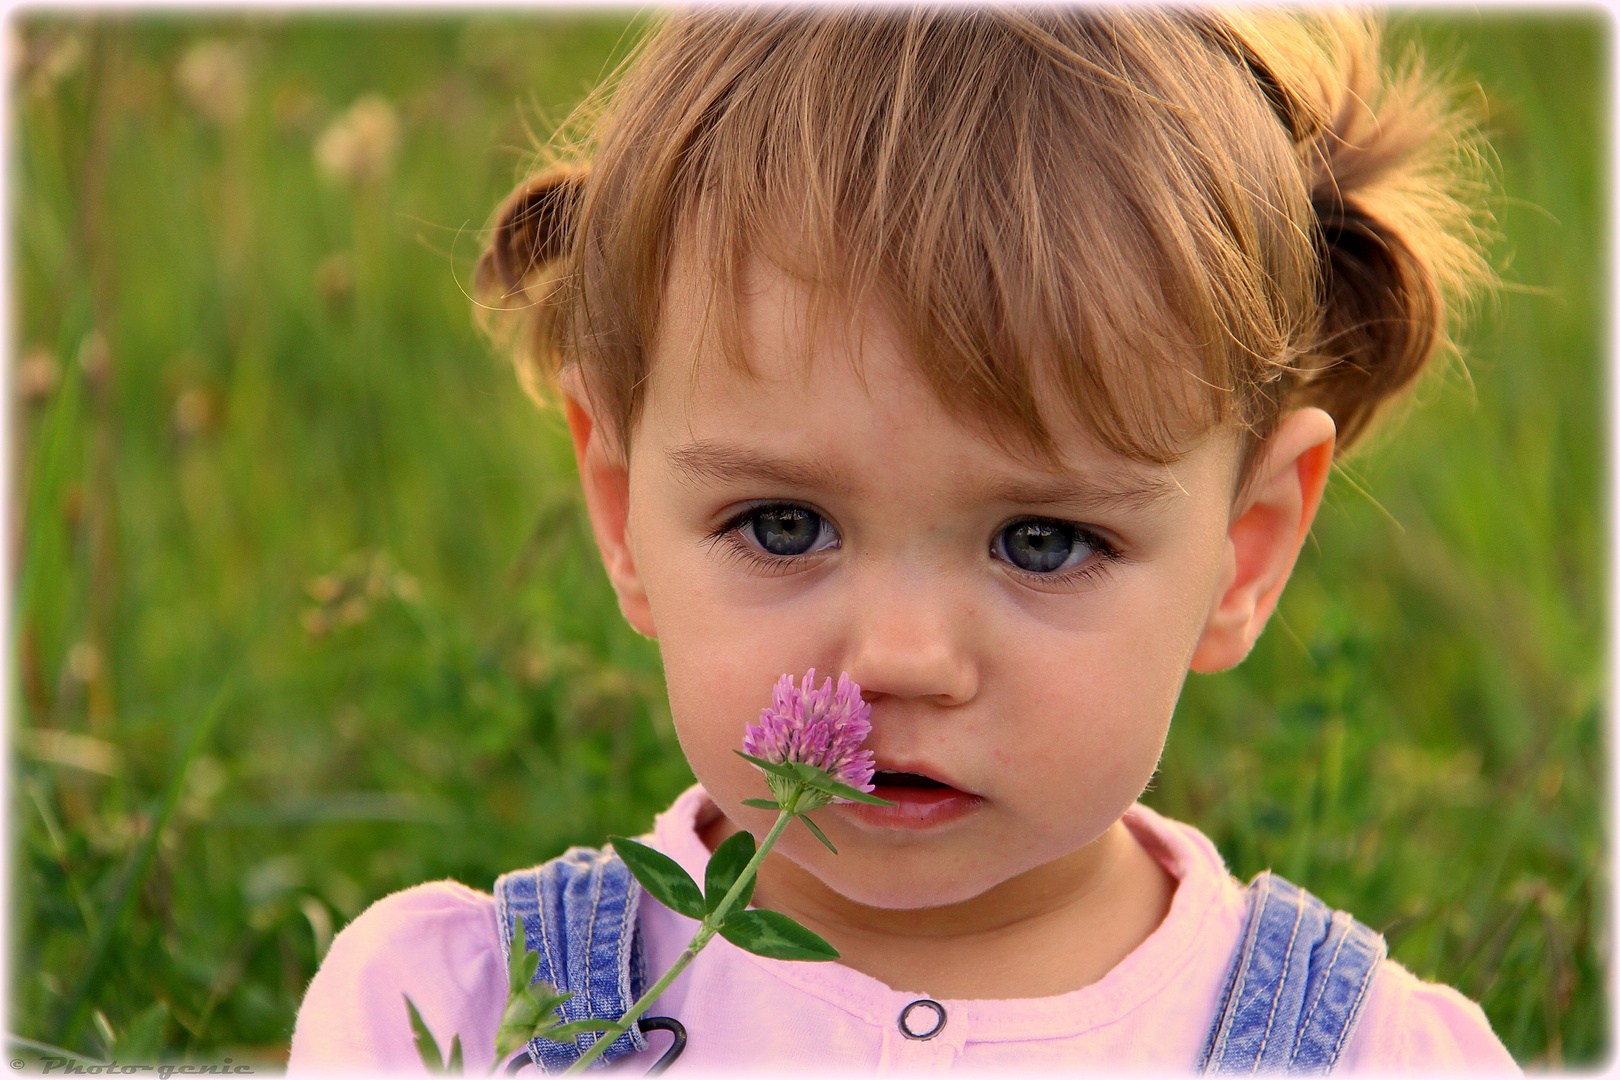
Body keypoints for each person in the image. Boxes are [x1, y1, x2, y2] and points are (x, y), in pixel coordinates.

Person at [288, 7, 1518, 1073]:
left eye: (1042, 542)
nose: (902, 656)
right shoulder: (467, 1024)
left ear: (1244, 554)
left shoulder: (1359, 1055)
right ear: (622, 516)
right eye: (784, 525)